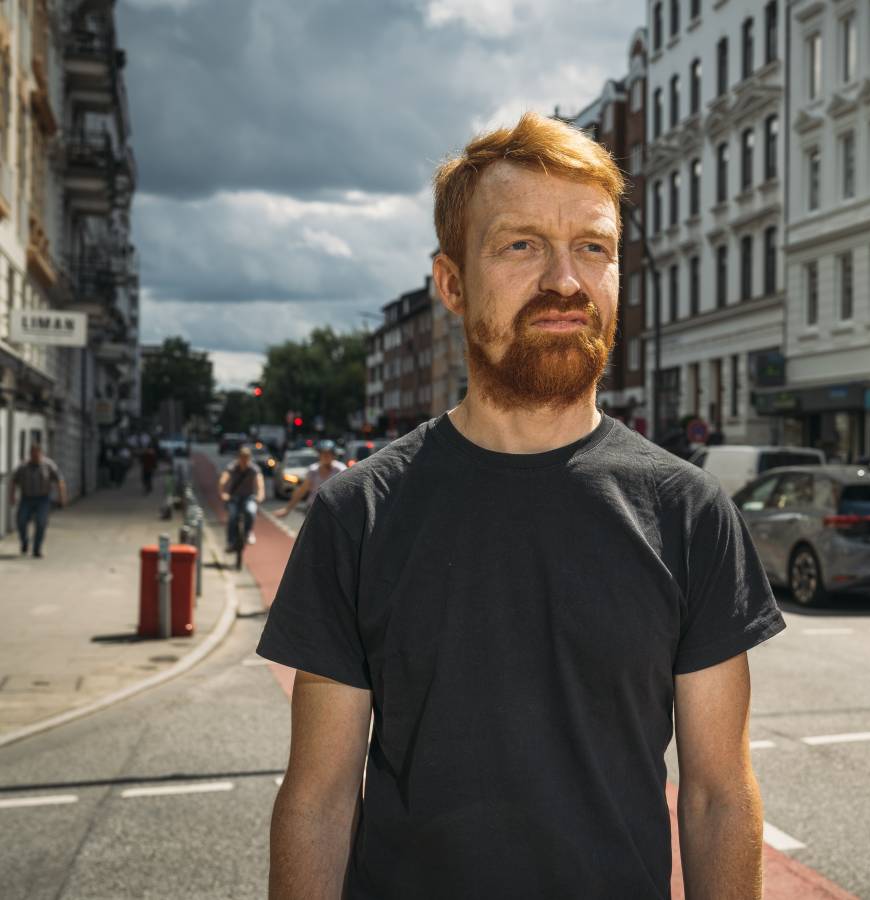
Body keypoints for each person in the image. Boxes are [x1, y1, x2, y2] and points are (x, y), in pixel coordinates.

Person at [257, 112, 785, 899]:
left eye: (592, 248)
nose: (565, 281)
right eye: (522, 245)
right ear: (451, 283)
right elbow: (320, 797)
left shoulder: (689, 513)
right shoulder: (357, 516)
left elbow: (716, 796)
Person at [8, 444, 67, 558]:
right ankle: (24, 542)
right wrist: (12, 496)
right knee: (21, 520)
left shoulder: (48, 465)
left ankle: (36, 549)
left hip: (43, 499)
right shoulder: (23, 466)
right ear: (30, 454)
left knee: (41, 522)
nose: (35, 456)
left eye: (37, 454)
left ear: (41, 453)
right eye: (33, 454)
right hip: (26, 498)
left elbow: (60, 481)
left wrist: (62, 497)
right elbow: (14, 481)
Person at [278, 439, 345, 517]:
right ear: (319, 455)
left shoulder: (340, 469)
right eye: (323, 454)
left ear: (333, 455)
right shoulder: (313, 470)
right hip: (313, 507)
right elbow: (302, 490)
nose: (326, 456)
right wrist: (287, 509)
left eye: (328, 454)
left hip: (333, 509)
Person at [218, 445, 264, 549]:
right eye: (242, 457)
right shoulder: (232, 467)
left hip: (249, 497)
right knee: (232, 516)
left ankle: (248, 532)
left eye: (246, 458)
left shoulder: (254, 469)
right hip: (234, 498)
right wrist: (222, 493)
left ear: (250, 458)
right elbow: (223, 480)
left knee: (251, 511)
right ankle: (230, 541)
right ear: (239, 457)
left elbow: (260, 483)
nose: (244, 460)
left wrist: (260, 495)